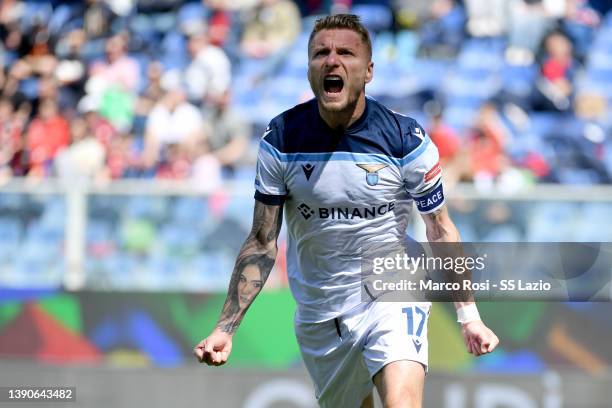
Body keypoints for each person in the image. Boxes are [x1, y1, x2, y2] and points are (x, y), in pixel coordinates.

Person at [194, 14, 499, 408]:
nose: (332, 61)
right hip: (322, 309)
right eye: (321, 52)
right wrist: (226, 327)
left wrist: (468, 315)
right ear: (308, 70)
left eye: (345, 53)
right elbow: (262, 241)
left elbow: (439, 230)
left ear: (368, 70)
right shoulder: (282, 139)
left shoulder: (405, 140)